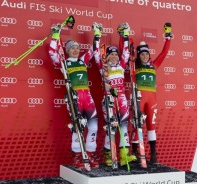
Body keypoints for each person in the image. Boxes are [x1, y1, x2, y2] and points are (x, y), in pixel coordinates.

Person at [48, 23, 99, 169]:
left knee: (93, 127)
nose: (75, 50)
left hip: (87, 98)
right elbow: (52, 52)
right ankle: (77, 156)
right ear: (68, 51)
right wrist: (56, 35)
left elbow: (94, 49)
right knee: (77, 128)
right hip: (73, 97)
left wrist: (97, 33)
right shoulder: (63, 63)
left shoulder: (83, 60)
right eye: (72, 48)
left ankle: (89, 154)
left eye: (77, 48)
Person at [93, 22, 137, 167]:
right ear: (107, 56)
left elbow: (126, 52)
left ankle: (124, 156)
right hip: (108, 99)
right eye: (111, 54)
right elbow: (95, 53)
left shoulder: (121, 65)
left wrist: (125, 36)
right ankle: (109, 155)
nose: (113, 57)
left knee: (123, 126)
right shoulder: (103, 67)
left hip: (122, 98)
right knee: (111, 127)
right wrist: (97, 36)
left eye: (115, 54)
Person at [131, 23, 172, 164]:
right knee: (138, 125)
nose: (144, 56)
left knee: (151, 126)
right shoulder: (133, 66)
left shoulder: (154, 65)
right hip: (139, 99)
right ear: (138, 55)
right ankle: (135, 152)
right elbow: (128, 52)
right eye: (142, 54)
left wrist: (168, 38)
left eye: (146, 54)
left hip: (152, 100)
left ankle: (153, 153)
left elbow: (164, 53)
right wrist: (125, 38)